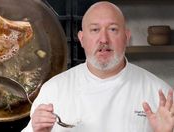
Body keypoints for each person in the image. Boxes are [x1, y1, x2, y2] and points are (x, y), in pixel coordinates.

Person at [22, 1, 174, 132]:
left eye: (113, 29)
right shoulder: (53, 90)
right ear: (82, 39)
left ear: (126, 37)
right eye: (95, 30)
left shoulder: (160, 94)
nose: (103, 39)